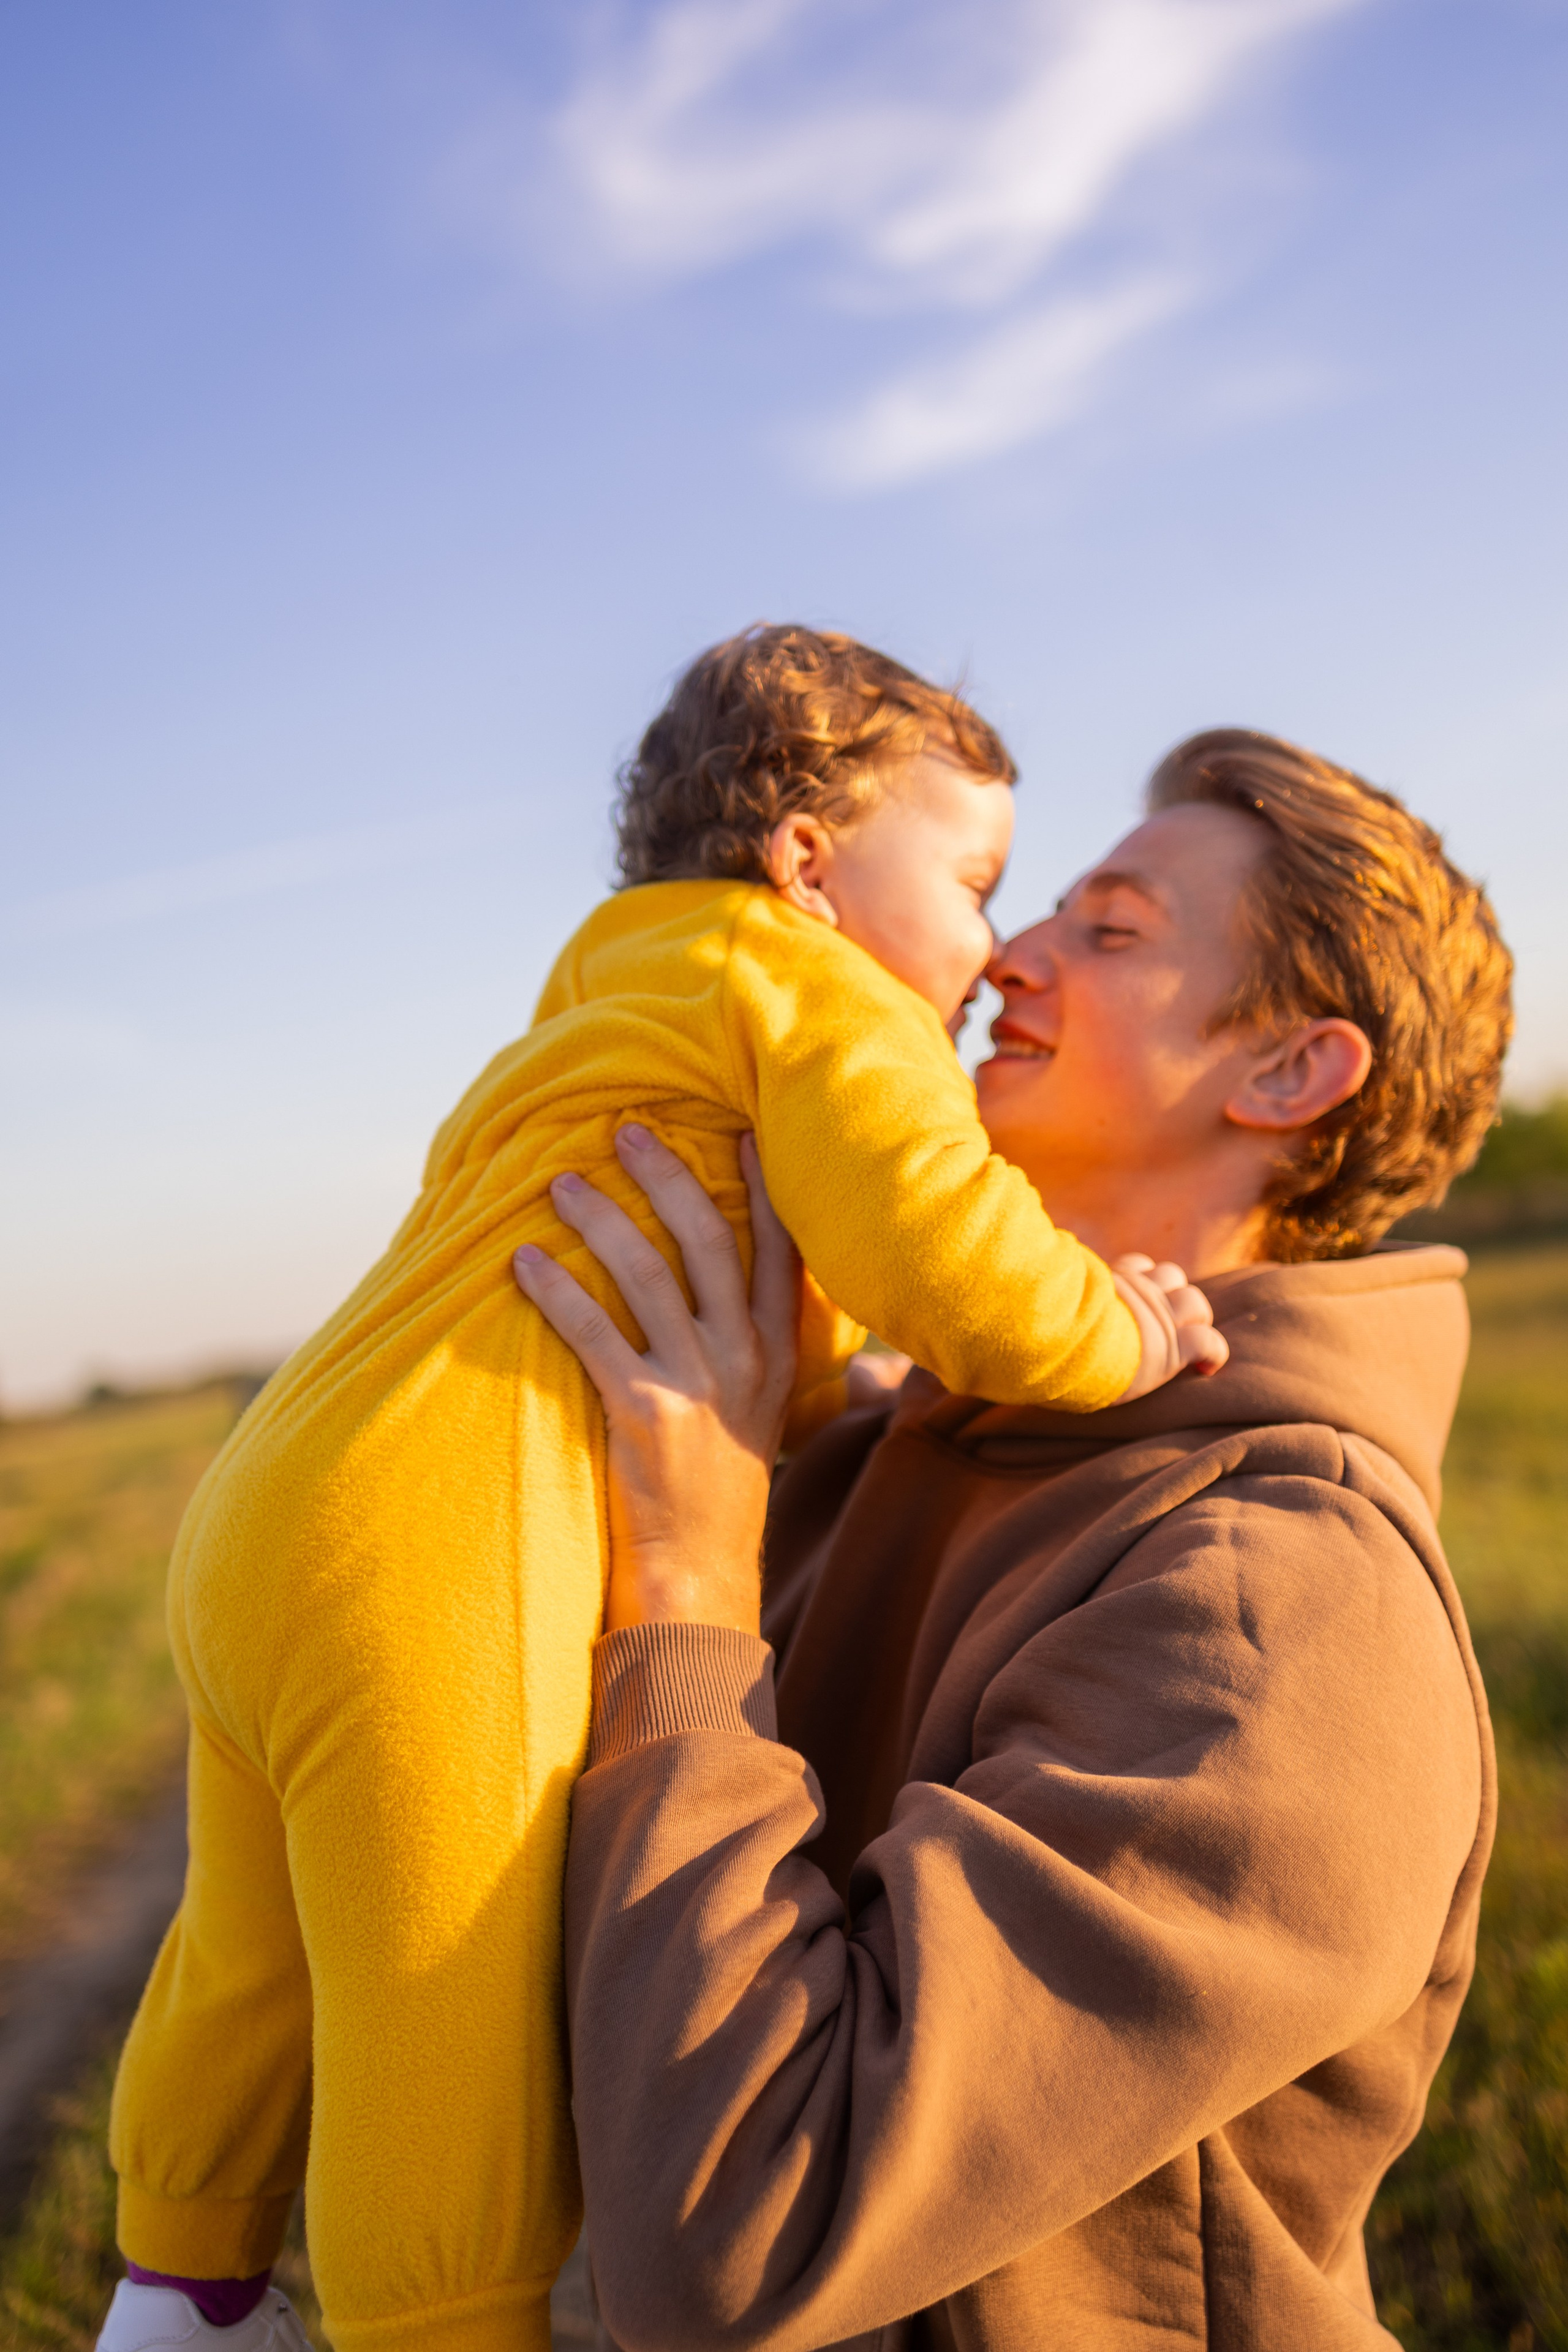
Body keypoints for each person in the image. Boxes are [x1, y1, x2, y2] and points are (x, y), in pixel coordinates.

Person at [99, 630, 1223, 2352]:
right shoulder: (819, 988)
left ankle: (181, 2276)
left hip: (280, 1492)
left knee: (255, 1949)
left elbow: (734, 1290)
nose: (995, 949)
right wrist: (1118, 1333)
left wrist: (820, 1386)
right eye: (980, 883)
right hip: (429, 1549)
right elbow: (954, 1255)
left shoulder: (618, 994)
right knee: (436, 1993)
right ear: (809, 864)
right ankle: (442, 2325)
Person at [514, 729, 1513, 2351]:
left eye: (1107, 933)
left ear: (1286, 1077)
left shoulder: (1281, 1603)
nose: (1005, 958)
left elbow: (747, 2249)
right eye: (1033, 909)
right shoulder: (886, 1442)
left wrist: (691, 1595)